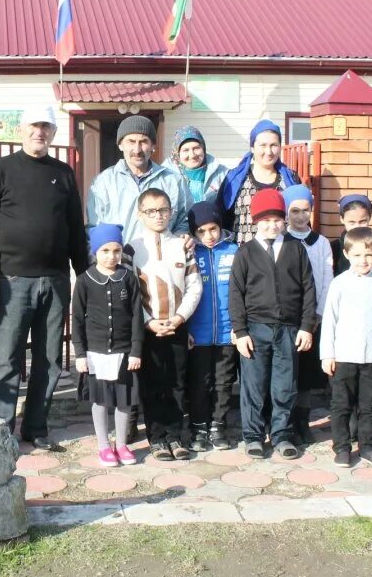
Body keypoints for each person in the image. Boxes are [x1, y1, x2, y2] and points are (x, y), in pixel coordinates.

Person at [0, 105, 89, 450]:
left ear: (53, 134)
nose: (39, 132)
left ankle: (36, 427)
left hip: (56, 280)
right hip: (14, 281)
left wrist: (83, 276)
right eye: (34, 126)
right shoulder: (1, 169)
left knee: (50, 359)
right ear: (22, 129)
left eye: (46, 127)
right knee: (7, 357)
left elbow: (74, 227)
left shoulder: (64, 173)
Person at [229, 189, 316, 460]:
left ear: (285, 220)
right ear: (255, 221)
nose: (272, 225)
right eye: (265, 220)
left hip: (289, 330)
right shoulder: (245, 252)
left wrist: (306, 326)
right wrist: (241, 331)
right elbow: (235, 293)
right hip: (255, 329)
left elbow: (308, 289)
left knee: (284, 385)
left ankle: (281, 435)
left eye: (277, 219)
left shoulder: (295, 249)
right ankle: (253, 436)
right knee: (253, 386)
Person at [128, 188, 202, 460]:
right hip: (148, 330)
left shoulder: (182, 245)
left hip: (177, 325)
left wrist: (180, 318)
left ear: (171, 212)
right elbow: (131, 293)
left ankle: (175, 436)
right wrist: (148, 322)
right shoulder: (132, 249)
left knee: (177, 383)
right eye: (151, 211)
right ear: (140, 214)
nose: (158, 216)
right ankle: (157, 438)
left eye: (163, 210)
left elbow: (194, 286)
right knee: (152, 385)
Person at [321, 226, 372, 468]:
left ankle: (367, 446)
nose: (363, 260)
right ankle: (342, 447)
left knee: (369, 405)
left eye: (368, 255)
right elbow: (330, 320)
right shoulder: (339, 283)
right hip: (344, 356)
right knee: (341, 404)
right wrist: (327, 354)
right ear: (346, 255)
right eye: (356, 255)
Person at [72, 224, 143, 467]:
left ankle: (121, 444)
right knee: (100, 399)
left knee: (124, 400)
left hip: (123, 352)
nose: (111, 256)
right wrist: (80, 353)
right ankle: (104, 445)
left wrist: (135, 350)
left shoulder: (129, 279)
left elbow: (136, 317)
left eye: (116, 250)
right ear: (95, 251)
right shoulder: (84, 281)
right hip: (96, 352)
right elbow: (77, 319)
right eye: (105, 250)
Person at [184, 200, 239, 451]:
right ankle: (198, 427)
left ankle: (218, 425)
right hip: (198, 334)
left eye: (213, 229)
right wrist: (186, 329)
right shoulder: (189, 253)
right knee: (199, 382)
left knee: (223, 381)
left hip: (228, 333)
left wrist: (239, 327)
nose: (208, 236)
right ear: (193, 232)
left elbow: (242, 292)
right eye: (201, 231)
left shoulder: (233, 251)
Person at [282, 183, 333, 445]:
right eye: (295, 211)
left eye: (305, 210)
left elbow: (326, 280)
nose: (301, 217)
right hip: (289, 318)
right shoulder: (283, 240)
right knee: (287, 371)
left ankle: (303, 419)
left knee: (306, 375)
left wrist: (317, 316)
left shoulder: (321, 242)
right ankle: (285, 421)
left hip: (313, 320)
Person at [86, 115, 192, 238]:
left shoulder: (173, 181)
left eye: (143, 142)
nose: (137, 150)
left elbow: (185, 220)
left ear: (153, 146)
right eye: (130, 141)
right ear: (120, 145)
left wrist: (178, 239)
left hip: (162, 256)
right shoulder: (103, 182)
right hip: (119, 256)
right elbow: (94, 227)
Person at [219, 119, 300, 245]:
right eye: (263, 145)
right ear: (252, 147)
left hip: (283, 257)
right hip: (242, 257)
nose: (269, 152)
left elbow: (301, 216)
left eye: (274, 145)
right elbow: (221, 219)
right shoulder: (235, 179)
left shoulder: (291, 179)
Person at [331, 194, 372, 275]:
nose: (357, 227)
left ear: (370, 217)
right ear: (342, 219)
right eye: (352, 222)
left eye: (362, 221)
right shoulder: (334, 248)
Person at [170, 126, 228, 204]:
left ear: (203, 148)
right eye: (185, 150)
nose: (192, 155)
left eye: (196, 148)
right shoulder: (168, 176)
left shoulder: (221, 173)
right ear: (177, 153)